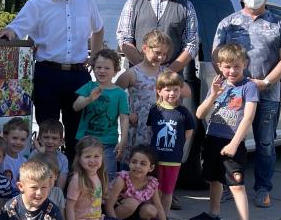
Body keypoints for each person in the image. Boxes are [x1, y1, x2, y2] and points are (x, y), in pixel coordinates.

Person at [0, 0, 104, 158]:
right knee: (47, 134)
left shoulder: (87, 0)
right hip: (48, 75)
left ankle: (73, 183)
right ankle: (45, 181)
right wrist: (8, 32)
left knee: (76, 134)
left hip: (78, 75)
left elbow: (98, 29)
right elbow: (17, 28)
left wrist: (95, 56)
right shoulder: (37, 4)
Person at [213, 0, 281, 208]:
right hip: (233, 96)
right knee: (229, 141)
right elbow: (217, 55)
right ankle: (230, 185)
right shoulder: (228, 23)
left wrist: (266, 82)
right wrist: (233, 80)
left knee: (265, 143)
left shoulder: (280, 24)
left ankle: (262, 189)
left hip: (267, 95)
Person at [192, 44, 258, 220]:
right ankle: (214, 214)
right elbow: (200, 114)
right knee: (214, 178)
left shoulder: (249, 87)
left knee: (236, 185)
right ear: (220, 66)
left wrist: (234, 143)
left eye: (237, 66)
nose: (232, 71)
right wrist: (213, 94)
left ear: (244, 64)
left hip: (233, 142)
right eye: (227, 66)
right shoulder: (219, 85)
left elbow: (248, 118)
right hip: (213, 138)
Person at [145, 70, 196, 220]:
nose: (172, 93)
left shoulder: (183, 112)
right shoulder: (155, 110)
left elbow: (188, 133)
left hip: (173, 161)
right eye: (167, 89)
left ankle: (164, 219)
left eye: (175, 89)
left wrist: (177, 146)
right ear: (159, 91)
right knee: (155, 191)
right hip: (156, 160)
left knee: (168, 192)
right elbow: (151, 130)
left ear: (180, 90)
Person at [66, 136, 134, 220]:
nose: (92, 160)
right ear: (79, 158)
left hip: (98, 219)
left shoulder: (98, 175)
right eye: (87, 156)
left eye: (96, 156)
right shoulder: (77, 179)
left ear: (102, 157)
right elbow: (69, 207)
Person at [72, 49, 129, 181]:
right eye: (98, 67)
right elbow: (76, 106)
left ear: (115, 70)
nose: (102, 71)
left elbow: (124, 117)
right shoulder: (89, 86)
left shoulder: (119, 93)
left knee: (108, 174)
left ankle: (104, 200)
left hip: (108, 142)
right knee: (81, 174)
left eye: (107, 68)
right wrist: (89, 99)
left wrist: (124, 140)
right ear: (93, 68)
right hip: (85, 141)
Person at [116, 30, 173, 157]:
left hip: (159, 126)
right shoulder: (132, 74)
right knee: (135, 162)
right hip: (138, 127)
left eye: (164, 54)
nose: (160, 57)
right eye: (157, 53)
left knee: (154, 164)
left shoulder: (166, 73)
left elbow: (185, 91)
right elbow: (114, 96)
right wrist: (127, 114)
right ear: (145, 48)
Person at [30, 151, 95, 220]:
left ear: (56, 176)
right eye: (42, 177)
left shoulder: (57, 192)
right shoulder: (32, 194)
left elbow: (62, 217)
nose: (46, 181)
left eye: (50, 177)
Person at [106, 146, 170, 220]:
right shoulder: (122, 179)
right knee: (132, 203)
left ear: (151, 167)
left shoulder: (151, 182)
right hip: (110, 212)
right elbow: (109, 205)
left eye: (143, 164)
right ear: (129, 162)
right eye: (134, 162)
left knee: (152, 210)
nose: (137, 166)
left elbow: (159, 207)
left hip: (130, 210)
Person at [29, 119, 69, 188]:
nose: (50, 141)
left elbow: (60, 187)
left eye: (54, 138)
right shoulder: (34, 155)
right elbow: (30, 178)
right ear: (40, 139)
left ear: (61, 141)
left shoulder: (63, 159)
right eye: (46, 137)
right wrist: (41, 154)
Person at [0, 117, 30, 186]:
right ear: (5, 137)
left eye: (22, 140)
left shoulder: (24, 162)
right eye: (14, 138)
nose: (18, 142)